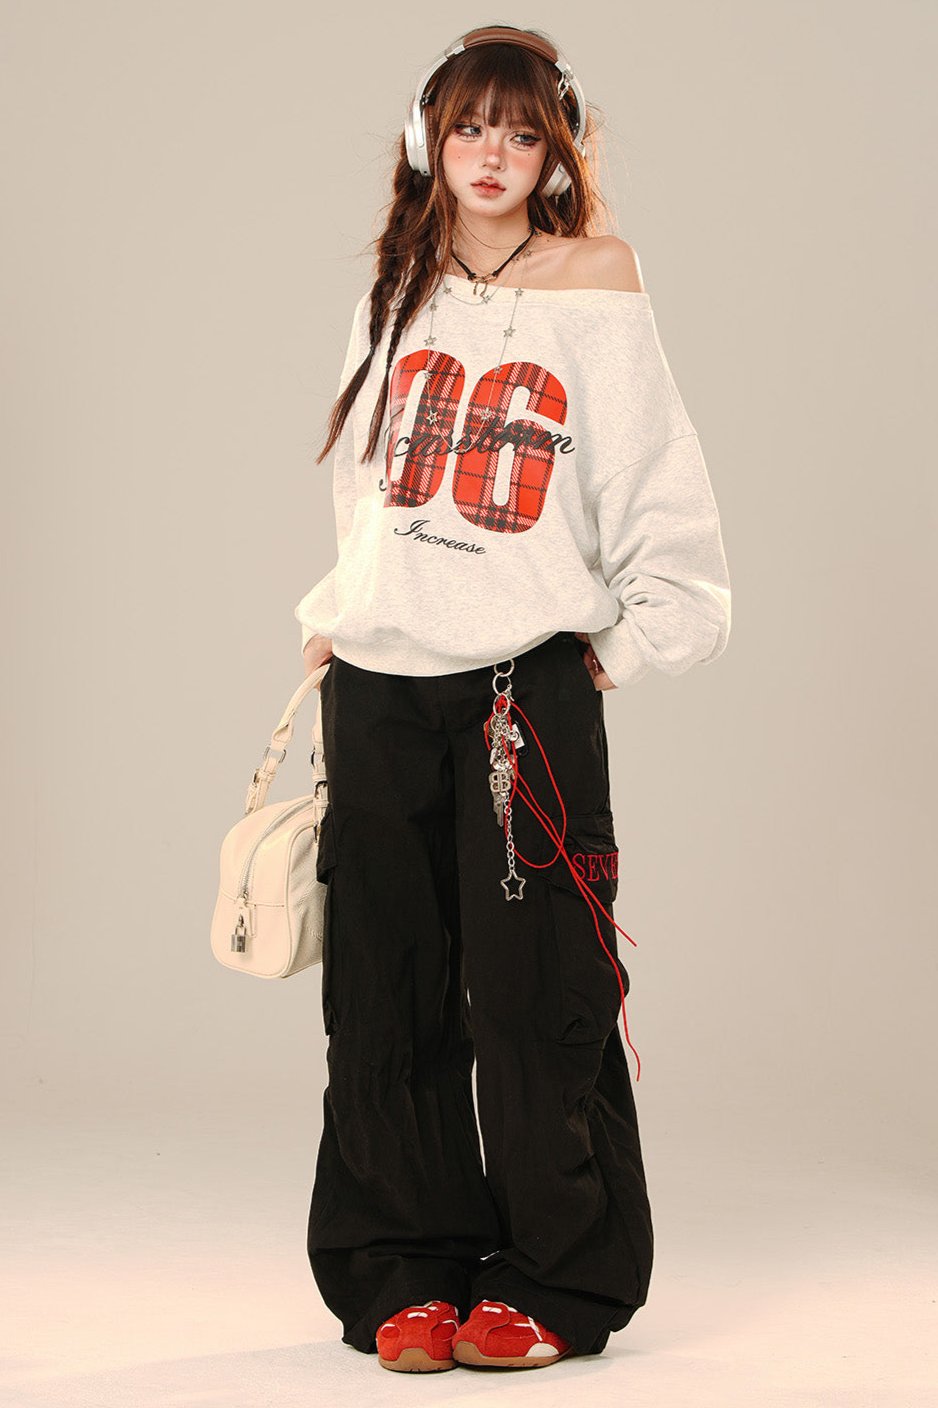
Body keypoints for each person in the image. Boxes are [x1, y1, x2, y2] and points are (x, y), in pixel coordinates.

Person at [294, 24, 731, 1374]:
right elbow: (370, 479)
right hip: (377, 684)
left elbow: (651, 478)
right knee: (387, 994)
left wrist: (621, 645)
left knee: (539, 990)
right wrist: (341, 608)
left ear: (558, 150)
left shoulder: (596, 279)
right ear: (427, 139)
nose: (494, 154)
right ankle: (402, 1268)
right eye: (472, 127)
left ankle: (559, 1275)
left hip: (517, 694)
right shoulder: (398, 278)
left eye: (523, 131)